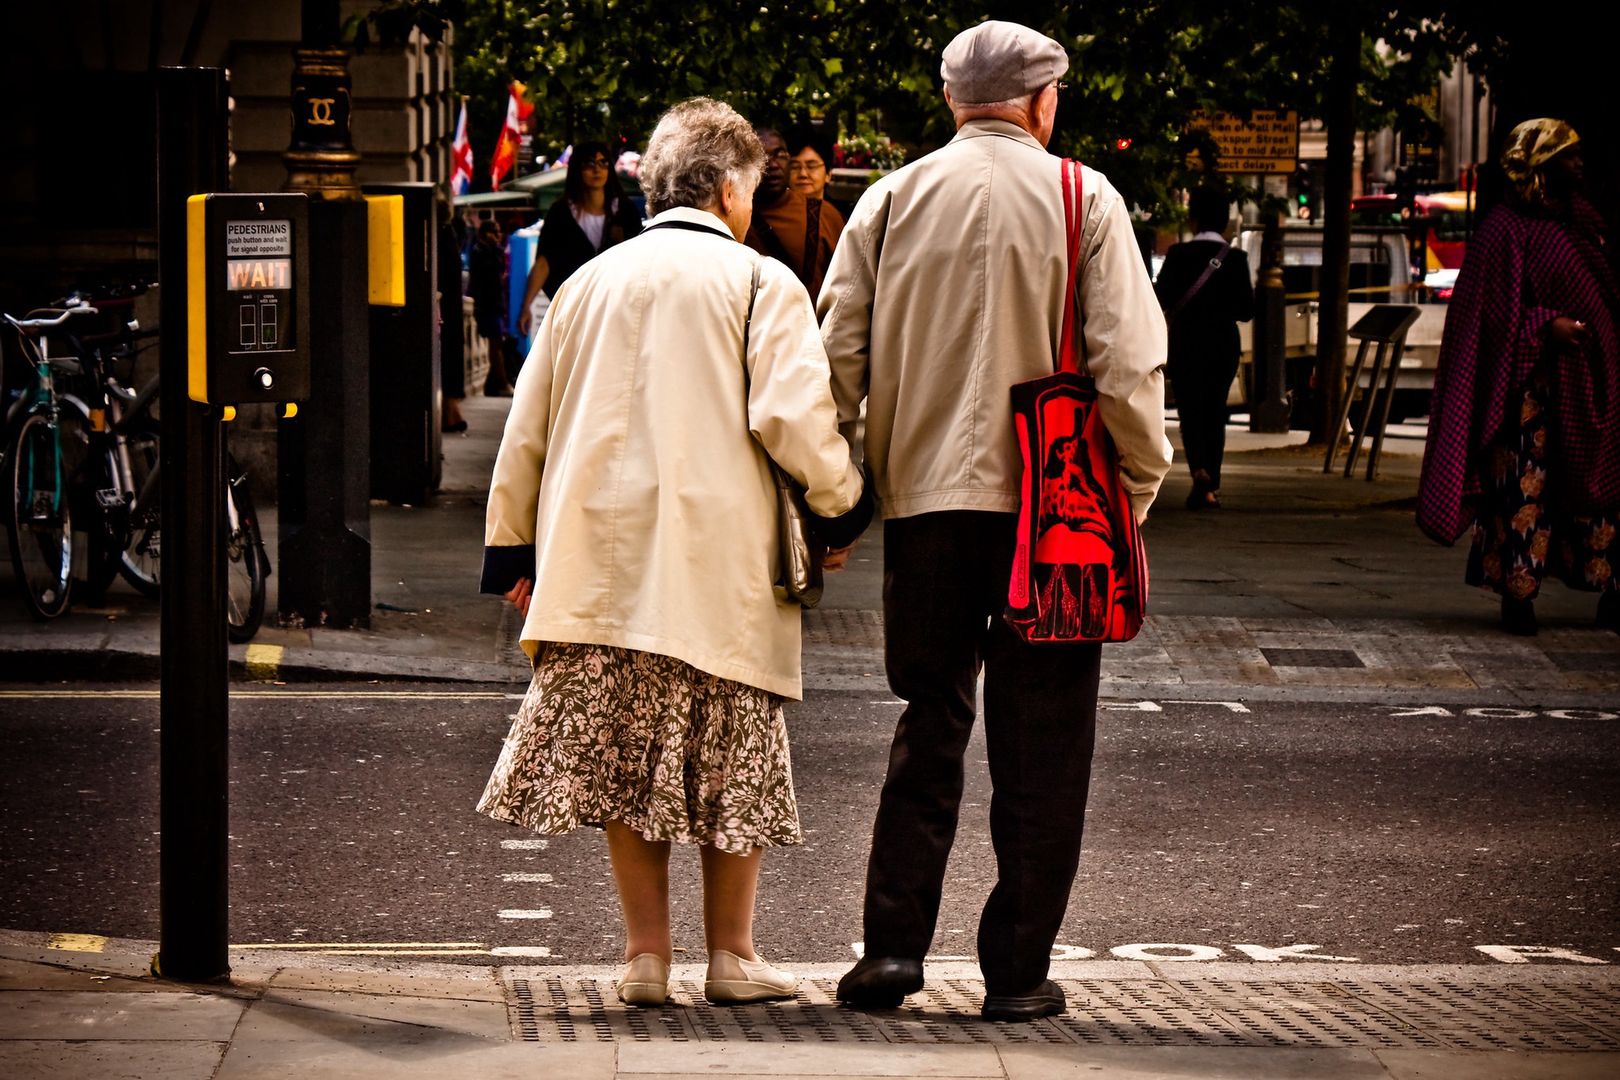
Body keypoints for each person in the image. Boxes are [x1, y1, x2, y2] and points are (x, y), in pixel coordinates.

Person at [477, 96, 871, 1009]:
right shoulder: (759, 282)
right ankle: (732, 958)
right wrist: (842, 506)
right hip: (717, 570)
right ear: (732, 188)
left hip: (600, 568)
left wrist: (511, 549)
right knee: (731, 757)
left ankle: (645, 960)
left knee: (627, 764)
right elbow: (794, 420)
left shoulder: (589, 283)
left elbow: (526, 428)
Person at [819, 20, 1171, 1022]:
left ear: (951, 102)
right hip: (1051, 518)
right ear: (1043, 102)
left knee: (929, 721)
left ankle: (890, 952)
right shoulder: (1084, 197)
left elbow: (833, 362)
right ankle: (1016, 973)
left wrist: (842, 493)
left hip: (927, 508)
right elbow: (1129, 370)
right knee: (1043, 743)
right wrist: (1130, 499)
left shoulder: (888, 200)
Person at [1418, 118, 1620, 636]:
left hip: (1588, 384)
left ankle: (1610, 591)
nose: (1579, 165)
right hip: (1527, 392)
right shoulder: (1505, 228)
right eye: (1568, 156)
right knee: (1522, 492)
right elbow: (1486, 315)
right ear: (1542, 165)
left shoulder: (1583, 223)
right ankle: (1518, 593)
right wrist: (1543, 324)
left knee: (1600, 490)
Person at [1154, 187, 1254, 509]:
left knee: (1190, 411)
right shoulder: (1236, 260)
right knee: (1216, 410)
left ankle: (1197, 469)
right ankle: (1212, 481)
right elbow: (1246, 310)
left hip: (1186, 341)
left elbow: (1163, 299)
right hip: (1223, 344)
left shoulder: (1178, 255)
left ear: (1193, 217)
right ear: (1225, 220)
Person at [516, 141, 644, 336]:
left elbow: (640, 262)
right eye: (589, 164)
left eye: (603, 163)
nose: (597, 170)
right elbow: (543, 262)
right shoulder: (561, 213)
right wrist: (526, 307)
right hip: (575, 311)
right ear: (577, 169)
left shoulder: (625, 212)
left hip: (616, 309)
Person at [745, 127, 844, 298]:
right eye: (761, 155)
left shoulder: (825, 215)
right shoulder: (732, 215)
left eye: (780, 154)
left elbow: (849, 282)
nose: (773, 164)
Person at [468, 219, 512, 396]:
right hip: (487, 305)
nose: (499, 236)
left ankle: (491, 385)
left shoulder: (494, 251)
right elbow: (488, 273)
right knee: (495, 345)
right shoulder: (479, 252)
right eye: (496, 232)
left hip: (495, 304)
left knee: (496, 344)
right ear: (487, 233)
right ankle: (502, 384)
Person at [436, 193, 468, 433]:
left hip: (445, 308)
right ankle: (450, 409)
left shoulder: (441, 236)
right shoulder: (448, 236)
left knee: (447, 354)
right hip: (450, 308)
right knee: (451, 353)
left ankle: (449, 409)